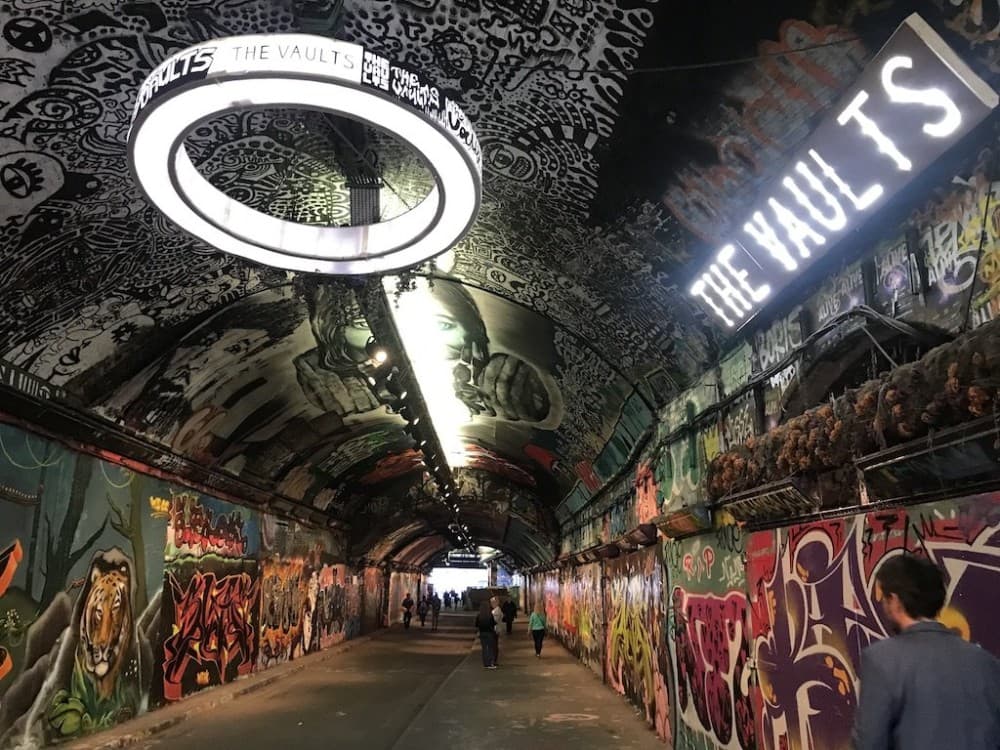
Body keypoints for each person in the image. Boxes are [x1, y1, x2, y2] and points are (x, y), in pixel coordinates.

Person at [852, 554, 1000, 750]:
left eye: (884, 600)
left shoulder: (881, 661)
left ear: (894, 600)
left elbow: (869, 743)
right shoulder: (986, 662)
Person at [475, 601, 497, 669]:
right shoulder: (490, 615)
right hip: (489, 633)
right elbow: (493, 623)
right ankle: (490, 663)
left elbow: (476, 625)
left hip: (482, 633)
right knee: (490, 648)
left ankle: (485, 663)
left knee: (484, 649)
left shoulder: (479, 616)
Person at [490, 596, 503, 666]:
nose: (491, 604)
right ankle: (494, 659)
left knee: (494, 646)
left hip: (495, 630)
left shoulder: (496, 611)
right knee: (494, 645)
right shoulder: (496, 610)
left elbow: (495, 621)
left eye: (492, 602)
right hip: (496, 630)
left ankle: (494, 660)